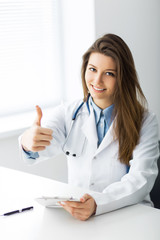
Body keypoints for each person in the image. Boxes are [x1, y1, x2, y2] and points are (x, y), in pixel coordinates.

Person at [19, 33, 159, 221]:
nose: (97, 80)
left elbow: (140, 179)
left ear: (123, 78)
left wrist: (98, 203)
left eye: (109, 73)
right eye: (92, 69)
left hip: (130, 215)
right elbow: (38, 147)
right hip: (82, 215)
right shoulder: (68, 113)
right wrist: (28, 142)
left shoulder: (145, 121)